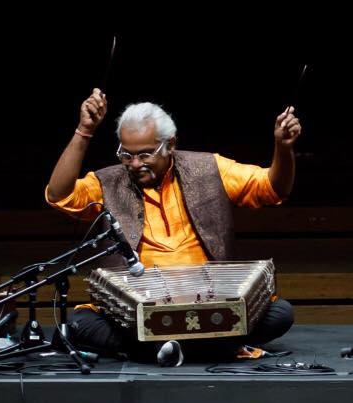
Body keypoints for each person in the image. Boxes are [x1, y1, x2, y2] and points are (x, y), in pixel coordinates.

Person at [45, 88, 299, 362]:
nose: (135, 164)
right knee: (82, 322)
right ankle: (215, 346)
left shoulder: (210, 168)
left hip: (210, 302)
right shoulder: (107, 182)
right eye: (126, 154)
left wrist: (283, 148)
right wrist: (84, 131)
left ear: (170, 144)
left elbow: (273, 187)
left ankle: (161, 349)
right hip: (136, 312)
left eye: (145, 155)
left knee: (280, 313)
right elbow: (60, 196)